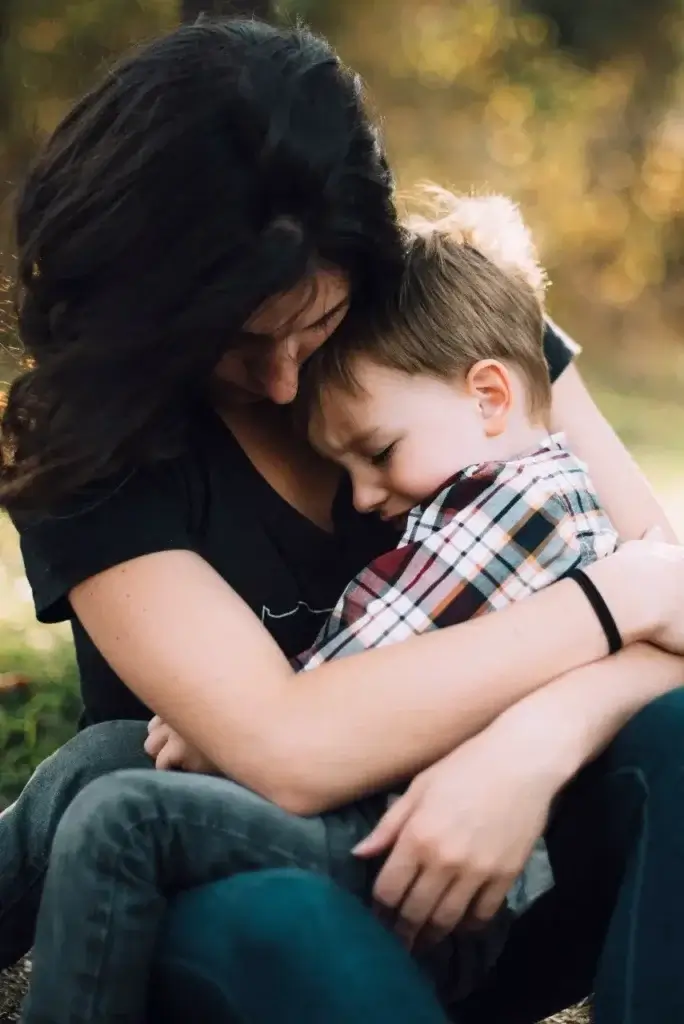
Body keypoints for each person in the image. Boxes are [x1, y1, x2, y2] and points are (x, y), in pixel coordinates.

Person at [2, 15, 684, 1024]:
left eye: (316, 324)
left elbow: (676, 607)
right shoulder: (91, 443)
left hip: (488, 867)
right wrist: (612, 600)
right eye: (237, 343)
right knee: (262, 909)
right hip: (251, 895)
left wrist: (531, 745)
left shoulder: (443, 324)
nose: (285, 381)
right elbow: (287, 748)